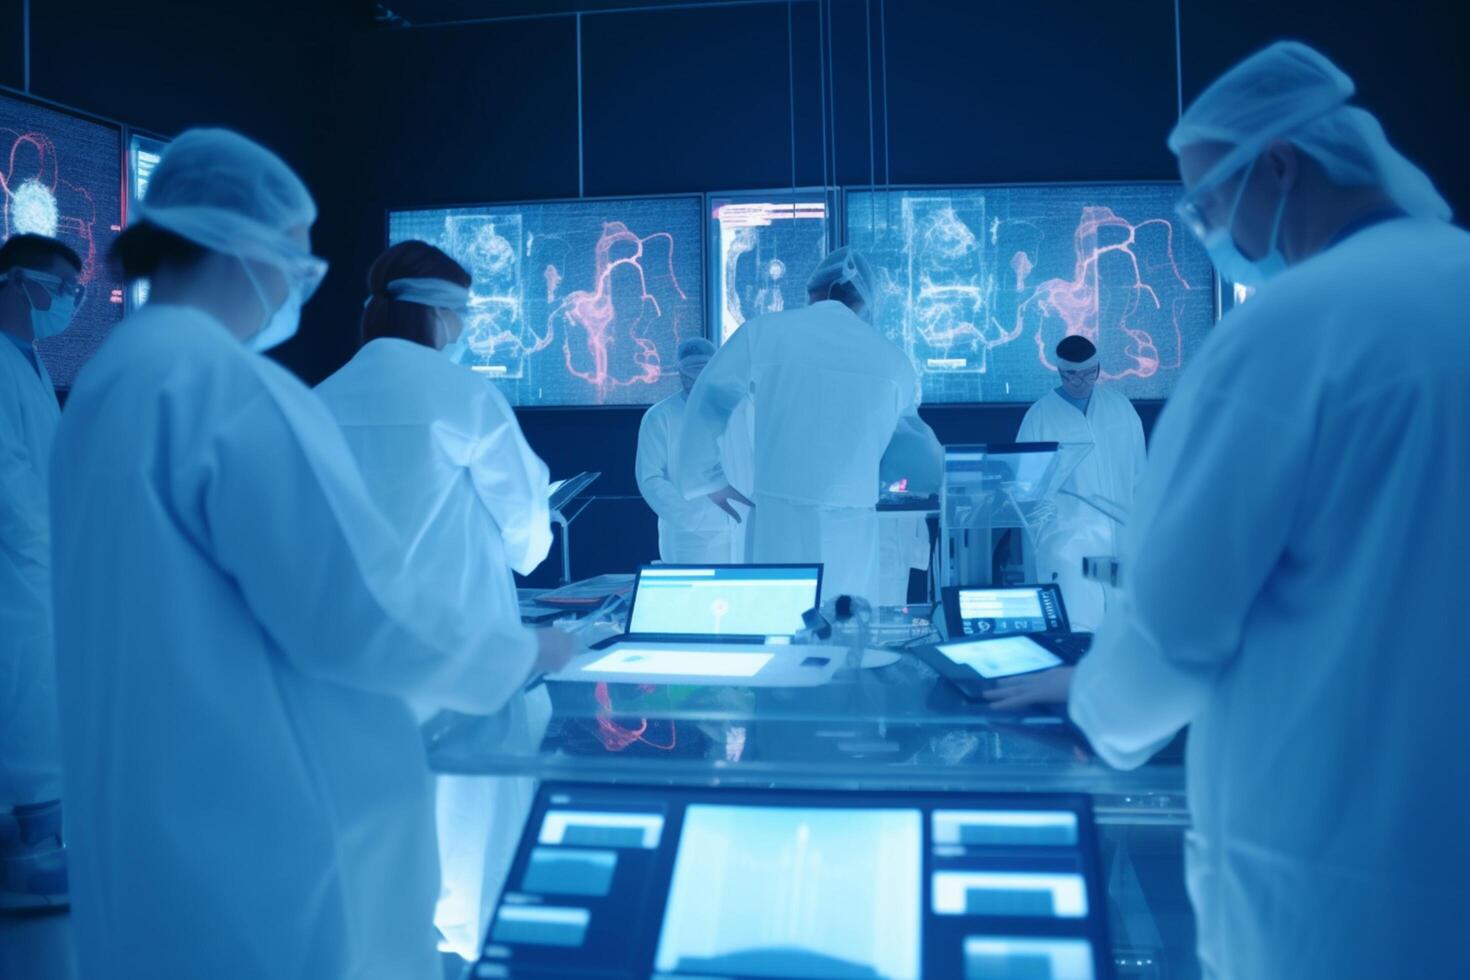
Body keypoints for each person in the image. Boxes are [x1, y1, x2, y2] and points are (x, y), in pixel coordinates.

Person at [47, 129, 575, 979]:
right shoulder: (228, 390)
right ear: (240, 245)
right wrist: (520, 654)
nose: (299, 280)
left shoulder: (112, 381)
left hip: (148, 832)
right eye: (296, 255)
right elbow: (351, 616)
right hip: (261, 845)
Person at [1067, 42, 1468, 978]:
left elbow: (1170, 643)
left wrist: (1093, 703)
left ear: (1279, 167)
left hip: (1330, 900)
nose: (1209, 230)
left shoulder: (1285, 332)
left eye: (1206, 204)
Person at [315, 240, 555, 960]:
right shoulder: (464, 396)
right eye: (465, 314)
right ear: (440, 315)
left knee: (373, 858)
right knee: (469, 845)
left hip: (353, 662)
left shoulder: (322, 397)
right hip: (458, 658)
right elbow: (527, 537)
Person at [675, 247, 918, 603]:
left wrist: (704, 477)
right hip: (853, 526)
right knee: (846, 631)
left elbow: (709, 398)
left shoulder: (766, 333)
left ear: (810, 290)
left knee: (777, 624)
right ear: (865, 301)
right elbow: (909, 447)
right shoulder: (895, 361)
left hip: (779, 522)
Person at [0, 234, 82, 905]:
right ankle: (30, 852)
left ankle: (30, 843)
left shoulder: (25, 359)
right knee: (29, 705)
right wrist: (51, 555)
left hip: (37, 573)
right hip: (20, 577)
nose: (69, 302)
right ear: (16, 280)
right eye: (62, 287)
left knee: (34, 703)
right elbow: (10, 483)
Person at [1016, 334, 1146, 630]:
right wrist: (1047, 534)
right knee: (1075, 629)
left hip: (1121, 542)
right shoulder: (1040, 417)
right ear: (1059, 371)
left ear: (1098, 370)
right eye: (1072, 375)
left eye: (1088, 373)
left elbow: (1140, 473)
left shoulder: (1121, 409)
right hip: (1067, 547)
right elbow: (1025, 489)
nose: (1080, 381)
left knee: (1122, 633)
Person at [636, 337, 751, 564]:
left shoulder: (738, 409)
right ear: (679, 374)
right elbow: (650, 478)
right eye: (690, 373)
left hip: (739, 529)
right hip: (690, 539)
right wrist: (694, 519)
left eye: (703, 370)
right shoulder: (660, 417)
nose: (695, 380)